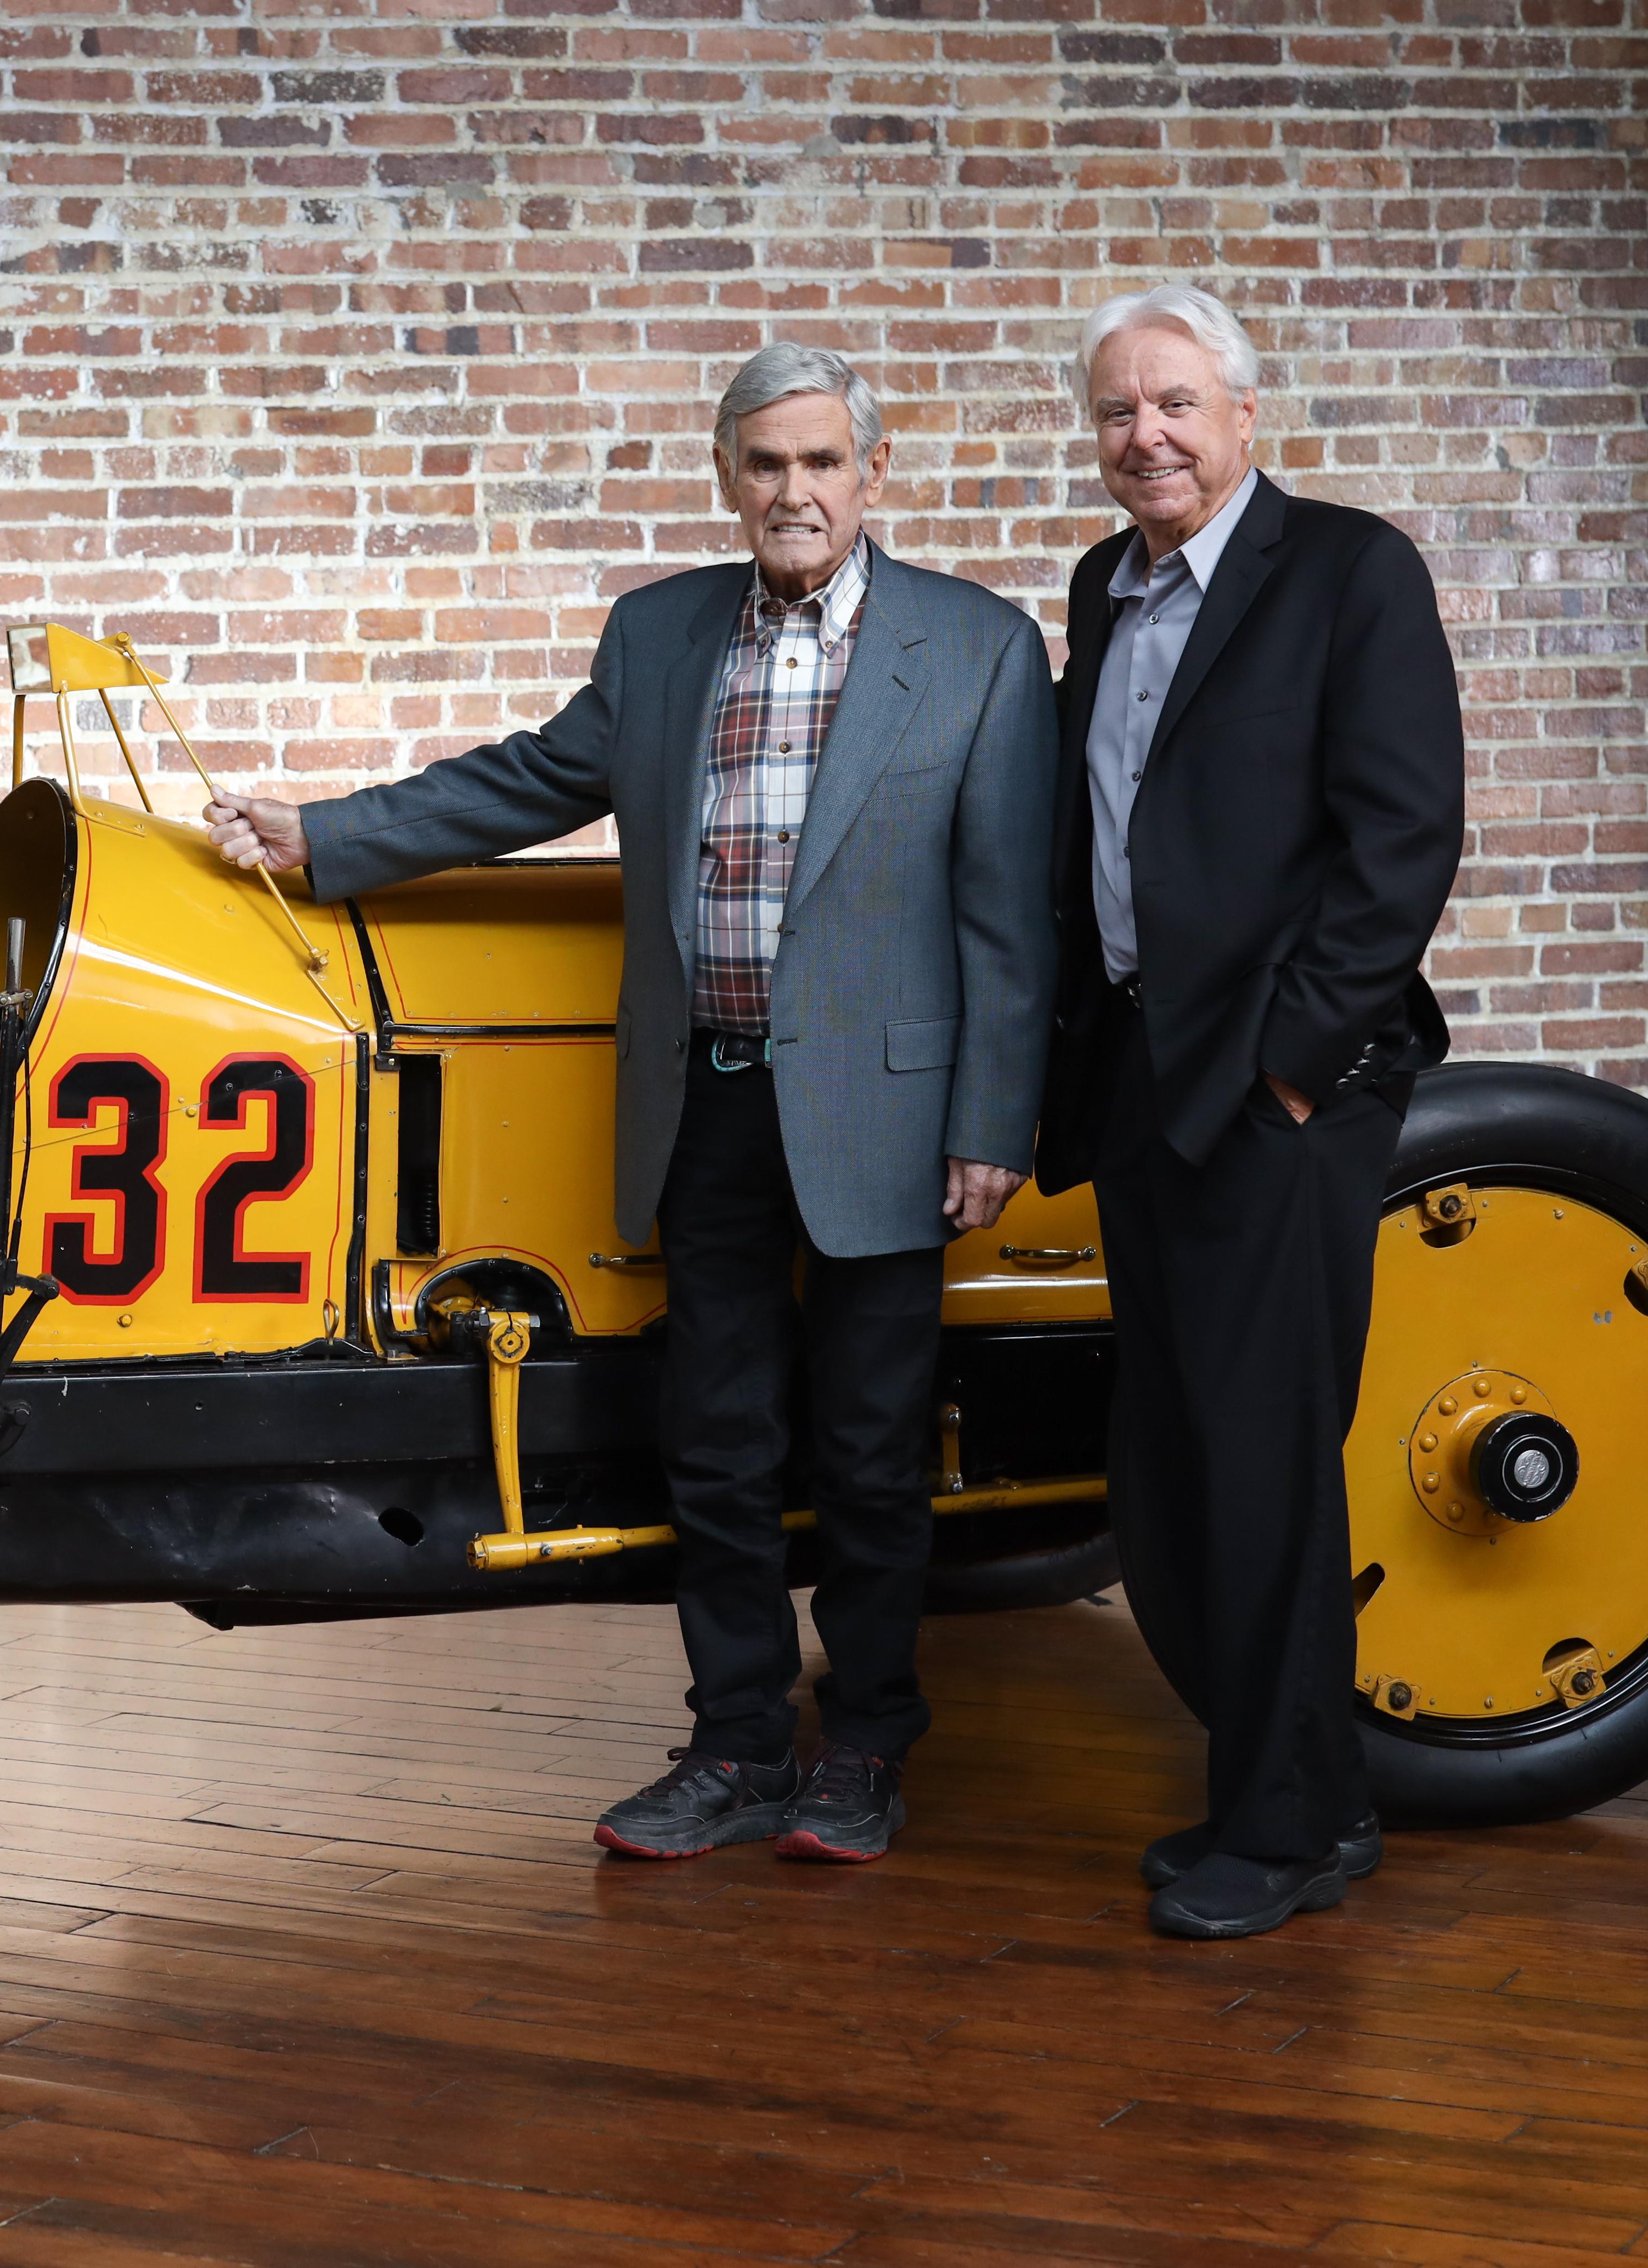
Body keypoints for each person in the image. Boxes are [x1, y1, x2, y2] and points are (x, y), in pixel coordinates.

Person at [208, 344, 1056, 1867]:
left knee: (868, 1449)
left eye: (821, 462)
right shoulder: (662, 634)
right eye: (765, 465)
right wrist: (327, 832)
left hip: (887, 1114)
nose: (794, 491)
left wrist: (993, 1114)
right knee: (716, 1441)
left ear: (872, 475)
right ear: (728, 477)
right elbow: (531, 781)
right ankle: (735, 1744)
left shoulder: (979, 646)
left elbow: (1011, 907)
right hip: (708, 1102)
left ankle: (862, 1744)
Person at [1032, 287, 1465, 1941]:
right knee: (1176, 1459)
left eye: (1172, 403)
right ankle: (1296, 1789)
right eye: (1114, 411)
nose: (1142, 435)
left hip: (1277, 1089)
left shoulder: (1346, 572)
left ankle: (1280, 1830)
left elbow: (1399, 841)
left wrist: (1289, 1063)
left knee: (1266, 1458)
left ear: (1239, 412)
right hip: (1142, 1072)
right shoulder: (1102, 583)